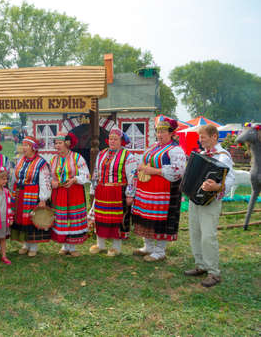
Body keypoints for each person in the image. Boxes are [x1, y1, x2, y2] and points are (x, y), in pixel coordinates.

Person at [185, 124, 235, 287]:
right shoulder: (201, 154)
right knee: (195, 232)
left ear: (214, 137)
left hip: (210, 201)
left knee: (208, 236)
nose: (201, 140)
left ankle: (213, 272)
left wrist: (216, 187)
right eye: (200, 137)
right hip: (195, 199)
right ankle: (201, 265)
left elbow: (231, 179)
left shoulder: (223, 157)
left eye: (203, 137)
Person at [132, 117, 186, 262]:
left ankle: (160, 251)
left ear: (171, 133)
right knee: (146, 217)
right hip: (147, 189)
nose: (160, 134)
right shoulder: (154, 147)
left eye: (163, 131)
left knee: (161, 219)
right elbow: (142, 161)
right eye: (158, 131)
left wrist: (152, 170)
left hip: (164, 191)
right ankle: (148, 247)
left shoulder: (176, 150)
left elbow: (177, 172)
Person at [88, 128, 138, 256]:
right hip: (102, 191)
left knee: (116, 220)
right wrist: (93, 188)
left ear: (121, 141)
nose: (112, 141)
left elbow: (133, 177)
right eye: (111, 139)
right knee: (100, 218)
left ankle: (116, 247)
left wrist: (130, 194)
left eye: (116, 139)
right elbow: (96, 173)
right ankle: (101, 245)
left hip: (117, 192)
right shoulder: (101, 154)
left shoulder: (128, 156)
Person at [50, 132, 90, 256]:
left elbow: (86, 175)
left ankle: (72, 247)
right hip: (60, 193)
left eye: (60, 143)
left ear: (67, 143)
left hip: (74, 191)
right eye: (56, 143)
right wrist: (53, 182)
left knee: (73, 218)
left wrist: (74, 180)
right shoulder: (53, 159)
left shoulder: (77, 157)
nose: (57, 146)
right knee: (62, 218)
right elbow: (48, 176)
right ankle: (64, 246)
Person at [11, 136, 51, 257]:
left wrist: (43, 198)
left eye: (27, 145)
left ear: (33, 148)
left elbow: (44, 181)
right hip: (19, 193)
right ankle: (25, 244)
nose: (24, 148)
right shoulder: (20, 160)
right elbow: (15, 177)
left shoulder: (41, 163)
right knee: (21, 219)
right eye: (23, 145)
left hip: (32, 194)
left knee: (31, 218)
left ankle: (33, 246)